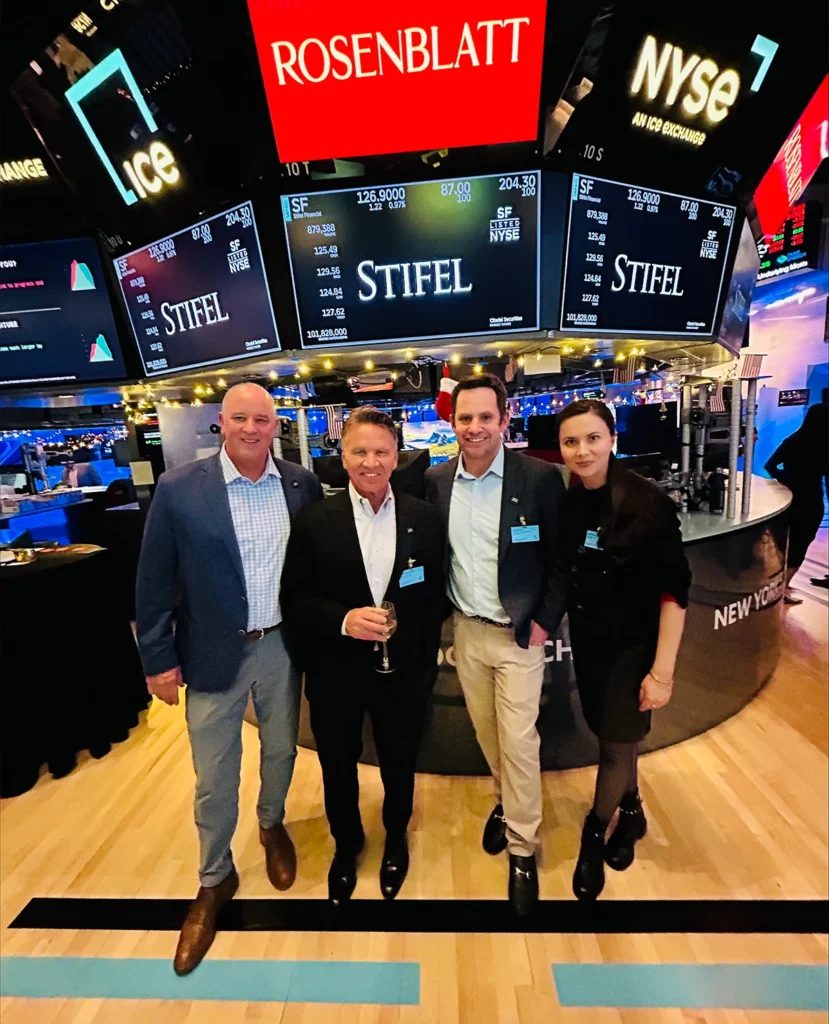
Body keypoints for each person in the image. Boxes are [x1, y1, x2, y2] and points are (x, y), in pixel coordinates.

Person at [135, 383, 322, 975]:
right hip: (211, 654)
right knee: (214, 776)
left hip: (282, 648)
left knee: (280, 752)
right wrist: (157, 660)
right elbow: (154, 580)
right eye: (240, 417)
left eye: (262, 419)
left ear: (275, 426)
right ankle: (214, 878)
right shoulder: (179, 488)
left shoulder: (301, 484)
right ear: (222, 422)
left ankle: (271, 824)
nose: (251, 427)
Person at [281, 407, 445, 904]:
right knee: (337, 762)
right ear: (342, 455)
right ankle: (346, 844)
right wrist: (344, 620)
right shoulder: (313, 520)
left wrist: (418, 647)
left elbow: (436, 593)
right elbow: (295, 598)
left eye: (380, 451)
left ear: (397, 456)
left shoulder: (424, 517)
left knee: (399, 760)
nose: (370, 461)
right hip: (336, 670)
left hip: (406, 673)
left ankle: (396, 837)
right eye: (359, 451)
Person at [424, 374, 566, 917]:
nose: (476, 427)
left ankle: (523, 849)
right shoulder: (436, 481)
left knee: (519, 740)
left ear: (505, 420)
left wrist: (544, 620)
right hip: (467, 629)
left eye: (487, 417)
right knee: (487, 732)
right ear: (452, 422)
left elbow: (560, 561)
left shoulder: (540, 479)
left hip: (519, 634)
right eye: (466, 418)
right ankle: (508, 804)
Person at [557, 399, 691, 901]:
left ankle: (594, 833)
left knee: (615, 744)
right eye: (571, 441)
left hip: (634, 649)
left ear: (612, 439)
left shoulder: (646, 502)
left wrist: (662, 672)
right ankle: (631, 812)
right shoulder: (575, 499)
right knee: (615, 735)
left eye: (592, 438)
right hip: (591, 643)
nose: (582, 450)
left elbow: (676, 591)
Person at [764, 404, 829, 604]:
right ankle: (783, 587)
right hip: (811, 501)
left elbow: (770, 465)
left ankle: (780, 586)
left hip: (789, 499)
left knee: (784, 545)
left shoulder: (793, 440)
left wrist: (787, 479)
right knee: (801, 545)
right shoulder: (824, 445)